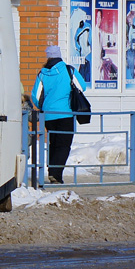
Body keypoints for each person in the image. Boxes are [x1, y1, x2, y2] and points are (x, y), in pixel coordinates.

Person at [31, 45, 88, 184]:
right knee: (63, 145)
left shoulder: (42, 74)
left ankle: (52, 172)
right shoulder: (69, 70)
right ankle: (56, 175)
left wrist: (43, 107)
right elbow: (82, 87)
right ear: (59, 55)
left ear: (48, 57)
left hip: (49, 115)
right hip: (66, 114)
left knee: (53, 143)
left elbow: (35, 96)